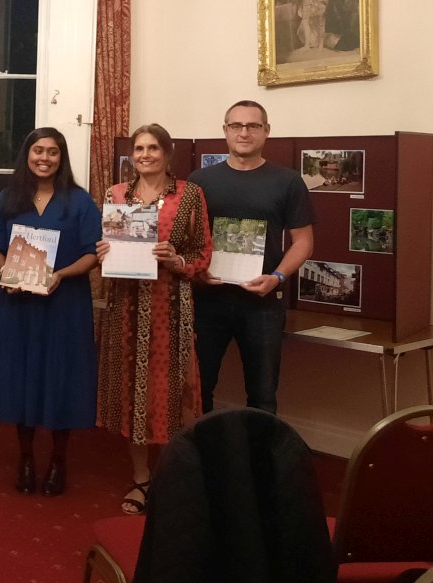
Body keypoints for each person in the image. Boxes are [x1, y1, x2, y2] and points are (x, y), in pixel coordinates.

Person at [96, 124, 213, 514]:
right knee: (133, 390)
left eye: (153, 148)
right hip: (126, 307)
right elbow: (107, 247)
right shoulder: (116, 195)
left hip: (170, 307)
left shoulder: (190, 194)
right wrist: (103, 251)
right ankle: (142, 478)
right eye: (139, 149)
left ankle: (172, 475)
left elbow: (202, 253)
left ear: (167, 152)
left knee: (172, 390)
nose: (145, 155)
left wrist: (176, 260)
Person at [0, 127, 100, 497]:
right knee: (22, 376)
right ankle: (26, 458)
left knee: (61, 377)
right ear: (27, 155)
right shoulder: (8, 198)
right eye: (38, 151)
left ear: (61, 158)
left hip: (65, 305)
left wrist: (60, 275)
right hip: (19, 304)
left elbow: (92, 254)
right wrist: (8, 273)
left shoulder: (79, 201)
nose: (44, 158)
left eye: (52, 152)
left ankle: (59, 460)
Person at [189, 101, 315, 415]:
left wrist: (277, 277)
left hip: (262, 304)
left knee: (263, 396)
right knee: (198, 389)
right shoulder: (200, 181)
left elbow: (303, 242)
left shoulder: (287, 181)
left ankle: (258, 449)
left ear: (266, 131)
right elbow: (188, 239)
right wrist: (196, 270)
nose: (244, 133)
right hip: (208, 302)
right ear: (225, 131)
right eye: (236, 126)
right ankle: (203, 447)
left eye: (253, 126)